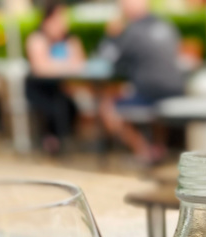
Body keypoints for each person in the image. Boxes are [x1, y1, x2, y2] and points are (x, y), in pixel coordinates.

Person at [96, 0, 185, 162]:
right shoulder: (167, 26)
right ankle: (159, 147)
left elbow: (111, 59)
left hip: (150, 93)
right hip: (177, 90)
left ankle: (144, 150)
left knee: (106, 107)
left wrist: (110, 36)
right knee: (155, 102)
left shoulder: (132, 30)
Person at [25, 1, 86, 155]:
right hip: (40, 89)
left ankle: (62, 142)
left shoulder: (70, 39)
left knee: (70, 107)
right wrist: (66, 65)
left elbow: (80, 63)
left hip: (61, 88)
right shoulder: (37, 38)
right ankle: (52, 142)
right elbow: (40, 68)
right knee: (53, 109)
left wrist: (55, 65)